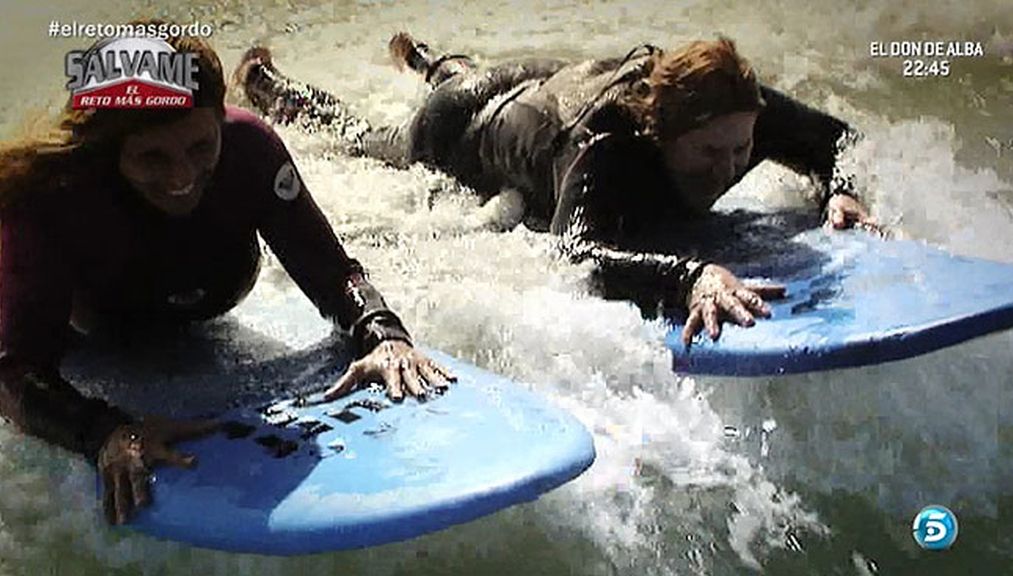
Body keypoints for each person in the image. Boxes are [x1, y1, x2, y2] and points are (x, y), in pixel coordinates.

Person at [0, 28, 454, 526]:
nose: (181, 177)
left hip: (206, 306)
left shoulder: (248, 149)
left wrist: (382, 333)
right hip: (97, 334)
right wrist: (102, 432)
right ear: (107, 151)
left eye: (200, 146)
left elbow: (331, 273)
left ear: (220, 120)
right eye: (153, 157)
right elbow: (13, 374)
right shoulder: (52, 195)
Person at [233, 34, 876, 345]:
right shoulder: (611, 146)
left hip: (548, 87)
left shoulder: (740, 110)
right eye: (709, 153)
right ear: (661, 129)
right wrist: (688, 277)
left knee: (470, 78)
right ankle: (267, 83)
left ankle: (424, 57)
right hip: (469, 125)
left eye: (742, 149)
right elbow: (575, 252)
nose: (730, 164)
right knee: (372, 140)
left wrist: (840, 190)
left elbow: (838, 140)